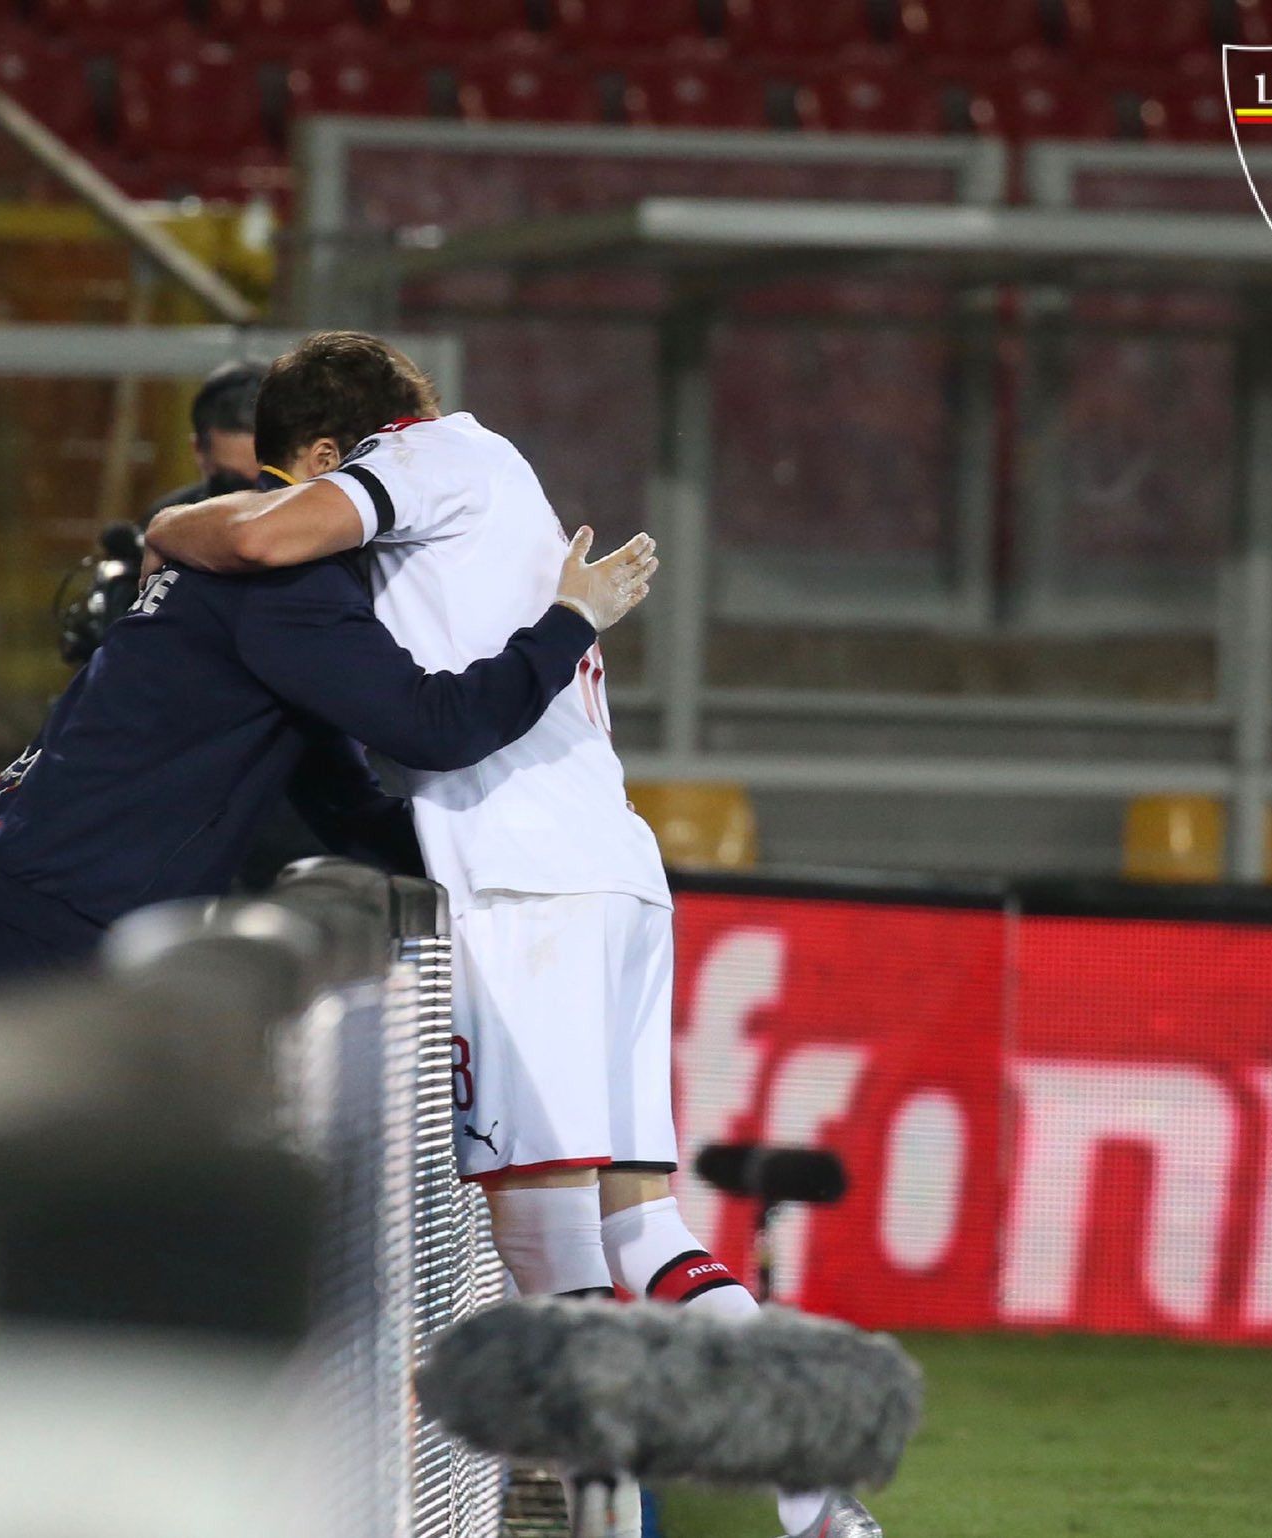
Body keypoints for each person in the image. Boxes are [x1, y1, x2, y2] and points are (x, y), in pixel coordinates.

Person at [145, 332, 879, 1538]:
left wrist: (171, 524)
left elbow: (269, 538)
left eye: (293, 475)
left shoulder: (426, 458)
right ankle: (818, 1503)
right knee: (641, 1226)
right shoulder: (493, 485)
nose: (292, 502)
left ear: (329, 452)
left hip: (525, 889)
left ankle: (607, 1522)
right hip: (611, 873)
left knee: (546, 1254)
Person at [0, 364, 659, 1003]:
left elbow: (338, 796)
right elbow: (435, 727)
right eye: (405, 450)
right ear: (327, 460)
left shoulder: (242, 562)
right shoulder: (285, 583)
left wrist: (485, 851)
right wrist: (569, 621)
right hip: (58, 915)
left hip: (37, 894)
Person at [144, 360, 263, 517]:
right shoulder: (170, 522)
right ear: (198, 451)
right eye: (234, 484)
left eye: (272, 482)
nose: (255, 499)